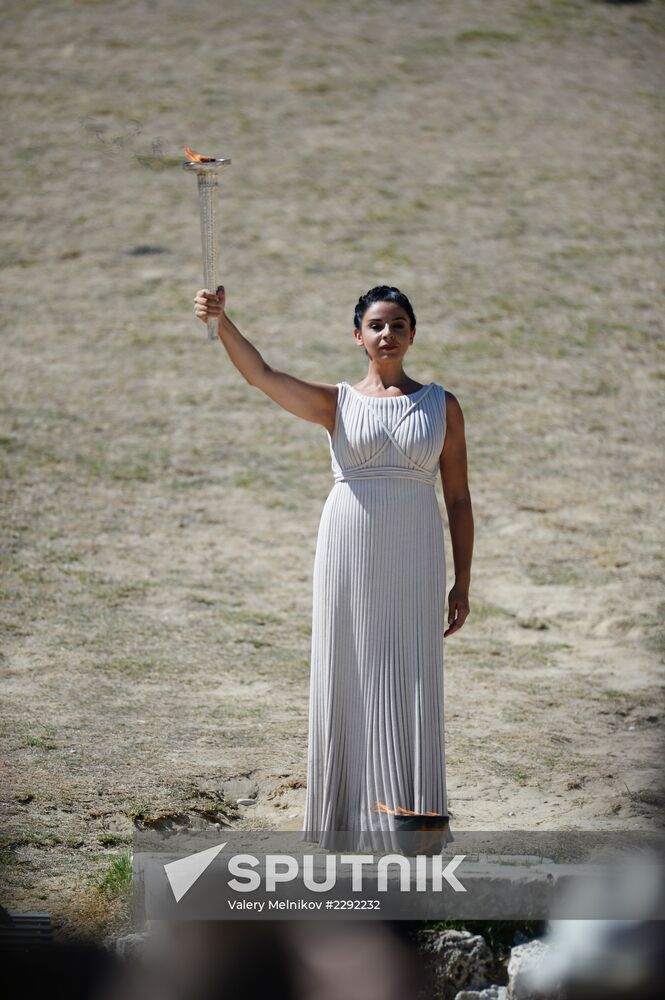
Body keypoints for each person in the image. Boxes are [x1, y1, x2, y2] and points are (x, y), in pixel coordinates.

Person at [194, 283, 473, 852]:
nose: (387, 334)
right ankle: (346, 823)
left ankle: (412, 827)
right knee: (347, 670)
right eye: (376, 325)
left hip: (416, 552)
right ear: (358, 337)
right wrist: (223, 323)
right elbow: (263, 375)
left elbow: (460, 498)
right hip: (349, 549)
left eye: (398, 324)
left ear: (413, 334)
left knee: (410, 676)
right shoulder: (338, 402)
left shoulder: (441, 405)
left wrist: (462, 580)